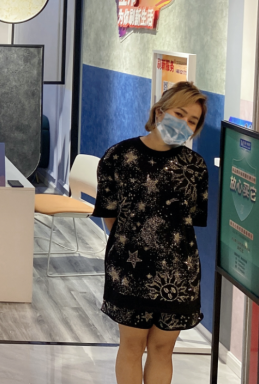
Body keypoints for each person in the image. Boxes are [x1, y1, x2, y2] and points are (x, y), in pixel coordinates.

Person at [91, 82, 209, 384]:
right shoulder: (118, 156)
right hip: (129, 270)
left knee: (162, 349)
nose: (184, 124)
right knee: (132, 347)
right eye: (179, 114)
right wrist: (134, 244)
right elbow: (109, 214)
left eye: (192, 121)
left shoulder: (195, 167)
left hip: (178, 274)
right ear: (159, 112)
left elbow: (190, 221)